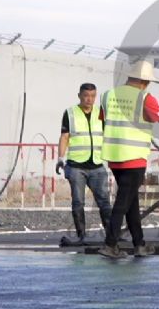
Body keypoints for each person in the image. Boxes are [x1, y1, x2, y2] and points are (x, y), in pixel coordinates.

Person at [97, 60, 159, 259]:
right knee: (123, 202)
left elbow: (105, 122)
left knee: (131, 202)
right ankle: (110, 244)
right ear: (145, 81)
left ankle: (139, 244)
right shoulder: (145, 98)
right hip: (134, 158)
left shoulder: (108, 95)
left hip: (114, 157)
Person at [56, 83, 111, 246]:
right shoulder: (70, 113)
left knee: (104, 201)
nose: (89, 99)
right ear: (79, 95)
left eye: (93, 96)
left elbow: (108, 135)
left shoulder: (101, 112)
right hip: (76, 166)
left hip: (97, 165)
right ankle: (82, 235)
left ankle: (112, 235)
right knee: (78, 202)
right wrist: (60, 158)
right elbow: (64, 137)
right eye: (86, 96)